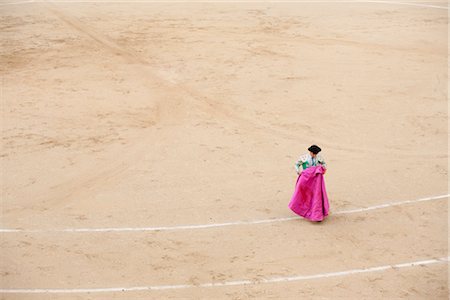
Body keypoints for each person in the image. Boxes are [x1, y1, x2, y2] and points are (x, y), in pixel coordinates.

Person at [289, 145, 329, 222]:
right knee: (302, 192)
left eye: (315, 154)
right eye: (313, 153)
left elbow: (324, 164)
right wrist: (299, 171)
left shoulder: (319, 157)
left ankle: (316, 213)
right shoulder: (304, 158)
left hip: (315, 179)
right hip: (305, 178)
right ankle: (302, 208)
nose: (314, 155)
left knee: (316, 195)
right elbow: (296, 164)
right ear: (310, 152)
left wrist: (323, 169)